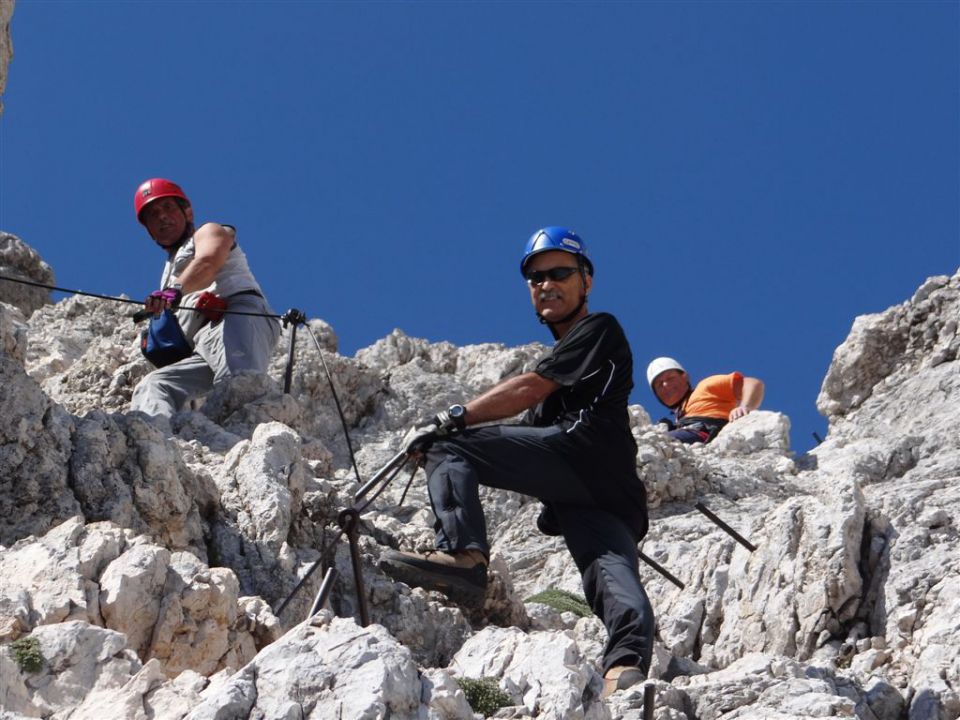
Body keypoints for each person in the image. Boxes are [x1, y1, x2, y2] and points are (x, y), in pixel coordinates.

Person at [380, 227, 655, 700]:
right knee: (611, 573)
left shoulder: (598, 329)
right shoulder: (571, 360)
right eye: (535, 277)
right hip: (601, 495)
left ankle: (464, 555)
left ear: (586, 280)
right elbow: (533, 416)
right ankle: (625, 670)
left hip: (579, 453)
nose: (546, 284)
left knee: (453, 446)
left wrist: (450, 420)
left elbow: (530, 388)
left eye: (560, 273)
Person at [129, 178, 280, 420]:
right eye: (152, 215)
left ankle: (253, 447)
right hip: (201, 345)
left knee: (240, 391)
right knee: (154, 386)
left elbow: (208, 261)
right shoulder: (167, 273)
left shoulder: (210, 231)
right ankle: (159, 444)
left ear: (187, 211)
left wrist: (174, 292)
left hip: (235, 319)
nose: (161, 217)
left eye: (167, 207)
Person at [646, 357, 765, 444]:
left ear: (685, 377)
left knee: (656, 444)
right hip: (689, 438)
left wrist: (745, 407)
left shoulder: (705, 386)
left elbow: (752, 383)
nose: (665, 384)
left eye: (670, 378)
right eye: (659, 384)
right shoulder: (680, 415)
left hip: (704, 434)